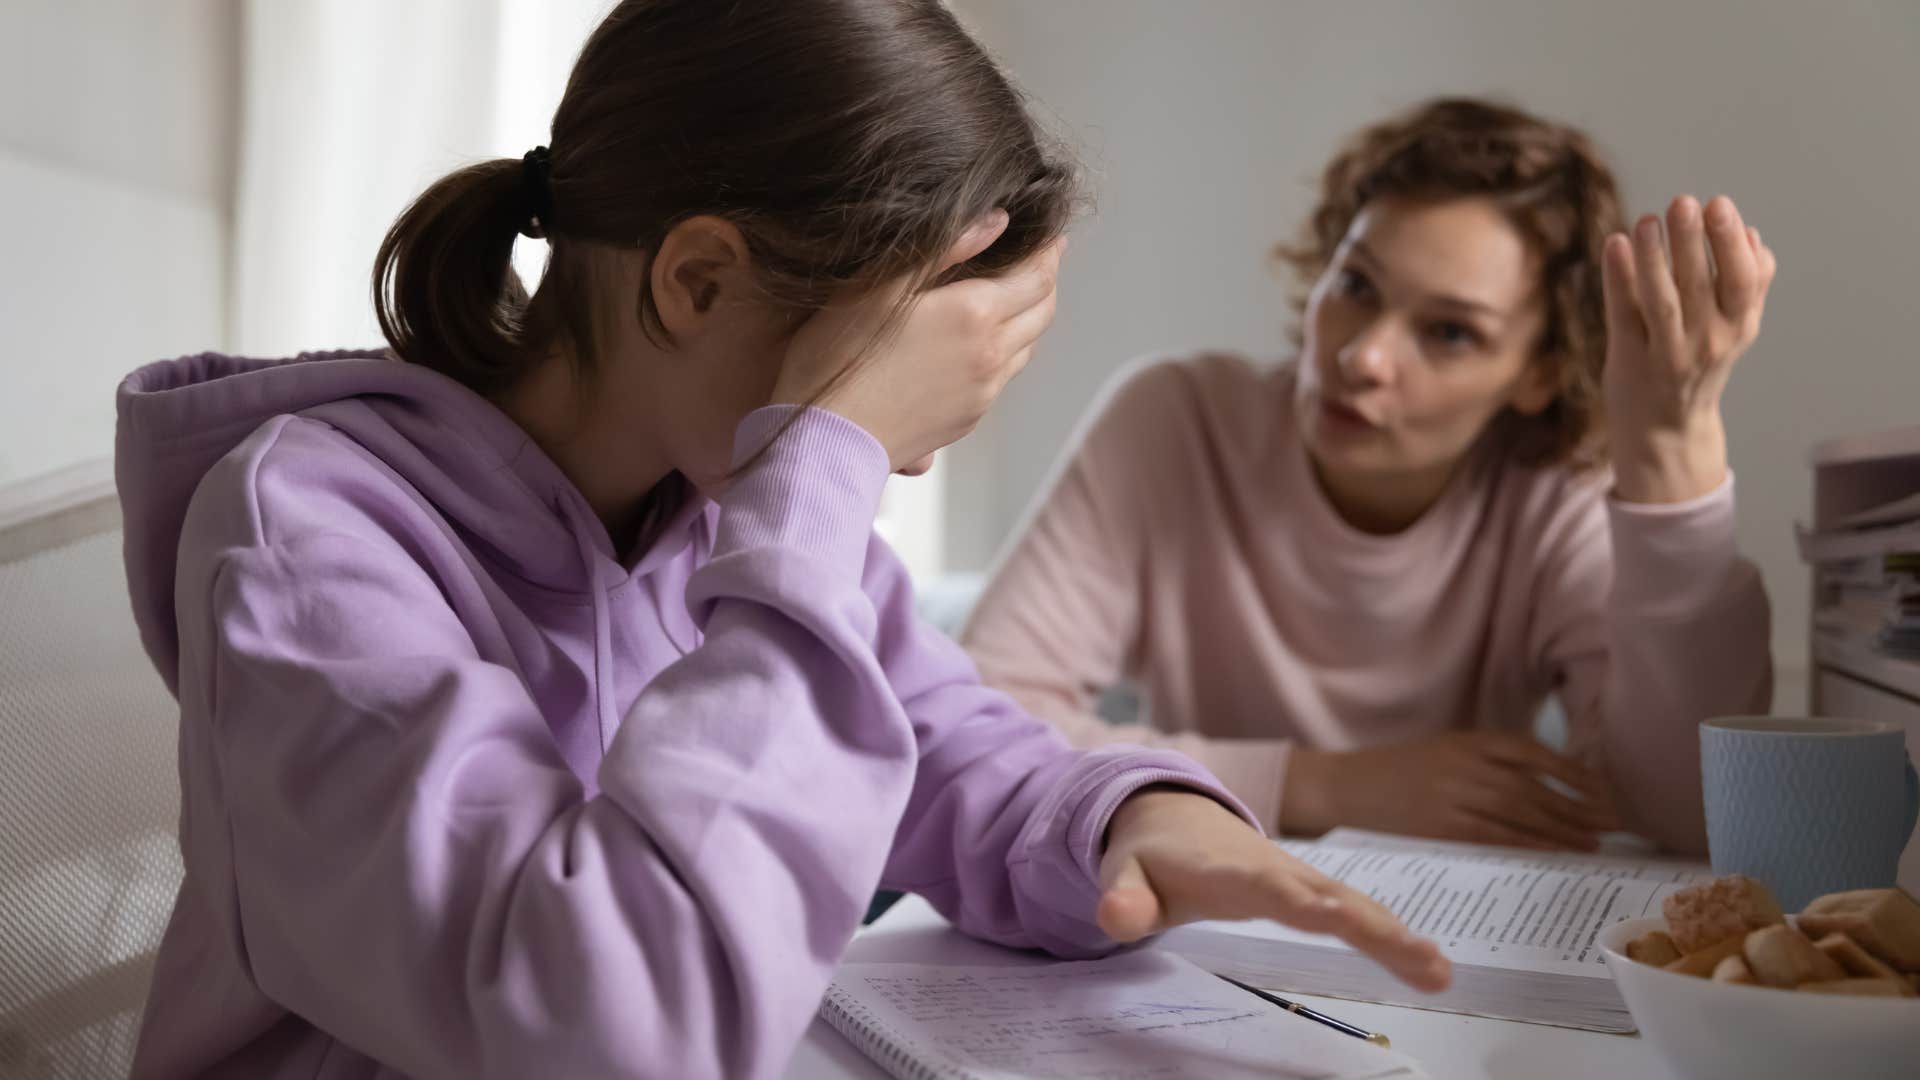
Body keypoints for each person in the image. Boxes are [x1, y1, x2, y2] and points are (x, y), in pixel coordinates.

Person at [117, 4, 1447, 1077]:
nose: (910, 454)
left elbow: (945, 747)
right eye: (888, 393)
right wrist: (822, 468)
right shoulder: (308, 539)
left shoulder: (720, 517)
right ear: (696, 282)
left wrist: (1133, 820)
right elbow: (618, 1030)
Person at [962, 97, 1777, 856]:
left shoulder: (1557, 491)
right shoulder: (1176, 421)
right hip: (1196, 913)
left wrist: (1671, 450)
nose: (1363, 357)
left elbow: (1687, 815)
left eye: (1451, 332)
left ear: (1540, 373)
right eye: (1355, 285)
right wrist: (1328, 785)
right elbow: (977, 724)